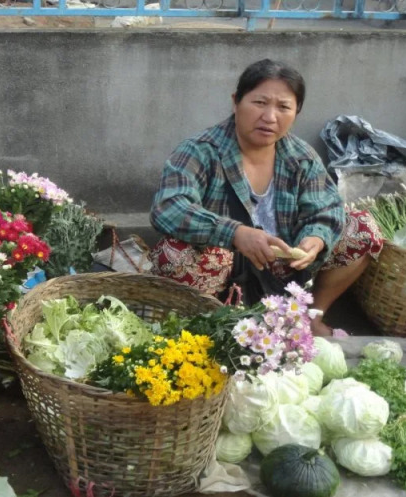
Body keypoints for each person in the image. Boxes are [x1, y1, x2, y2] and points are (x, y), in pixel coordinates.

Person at [149, 59, 383, 337]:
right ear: (236, 102)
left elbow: (327, 208)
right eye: (259, 103)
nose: (270, 117)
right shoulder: (200, 151)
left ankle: (307, 318)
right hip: (225, 273)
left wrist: (316, 238)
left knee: (362, 228)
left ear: (297, 112)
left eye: (283, 107)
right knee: (175, 252)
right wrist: (235, 233)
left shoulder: (301, 156)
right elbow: (169, 207)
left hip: (284, 272)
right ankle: (211, 326)